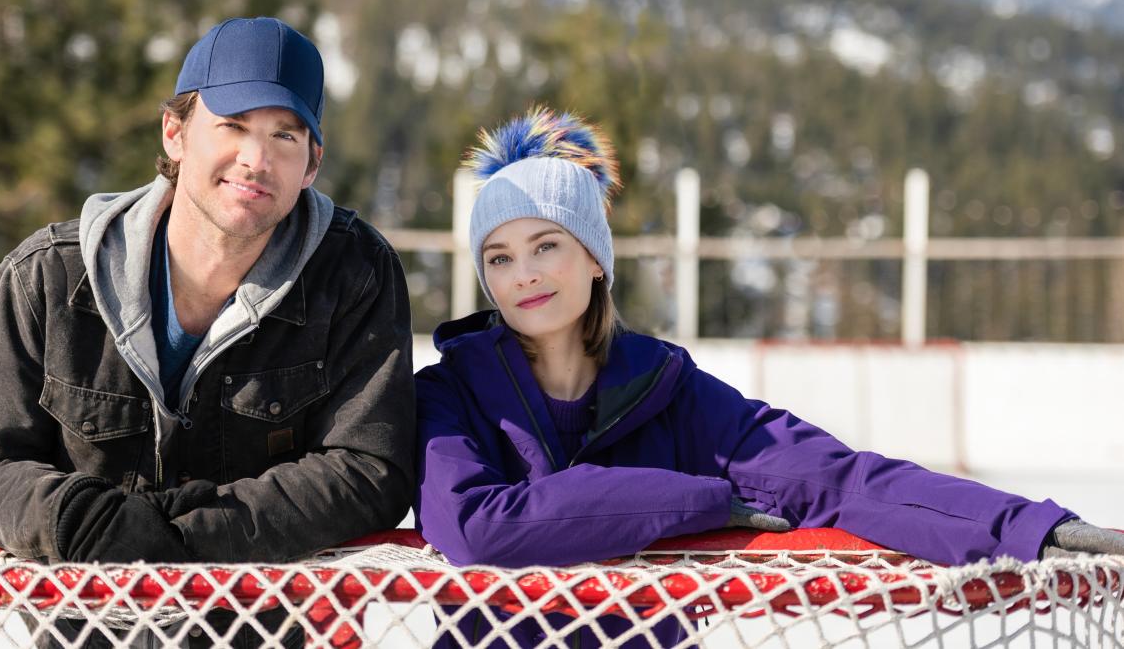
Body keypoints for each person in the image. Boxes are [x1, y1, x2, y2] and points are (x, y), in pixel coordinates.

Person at [412, 105, 1124, 648]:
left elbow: (842, 481)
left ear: (596, 257)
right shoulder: (448, 394)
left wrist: (1029, 527)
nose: (525, 272)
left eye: (546, 244)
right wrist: (702, 501)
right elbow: (477, 527)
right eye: (499, 257)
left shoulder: (672, 395)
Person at [0, 17, 415, 646]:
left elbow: (371, 465)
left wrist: (190, 537)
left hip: (264, 631)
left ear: (312, 163)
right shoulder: (49, 277)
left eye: (285, 135)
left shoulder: (355, 275)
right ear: (176, 132)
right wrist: (88, 524)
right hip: (84, 632)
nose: (256, 159)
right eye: (232, 126)